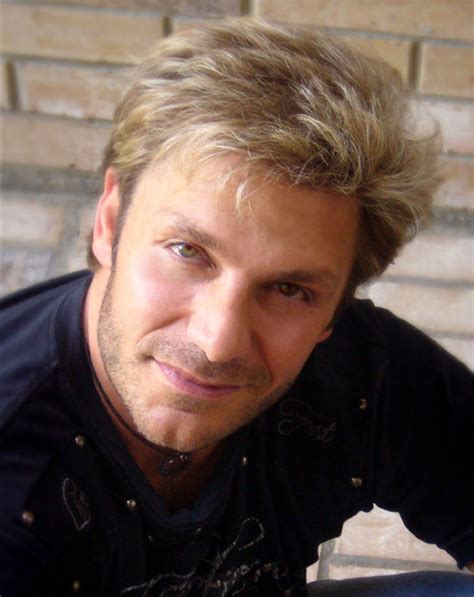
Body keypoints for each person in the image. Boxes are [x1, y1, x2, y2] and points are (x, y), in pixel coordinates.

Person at [1, 18, 473, 597]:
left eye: (289, 289)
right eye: (187, 251)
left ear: (334, 311)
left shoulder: (359, 372)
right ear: (109, 222)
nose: (218, 341)